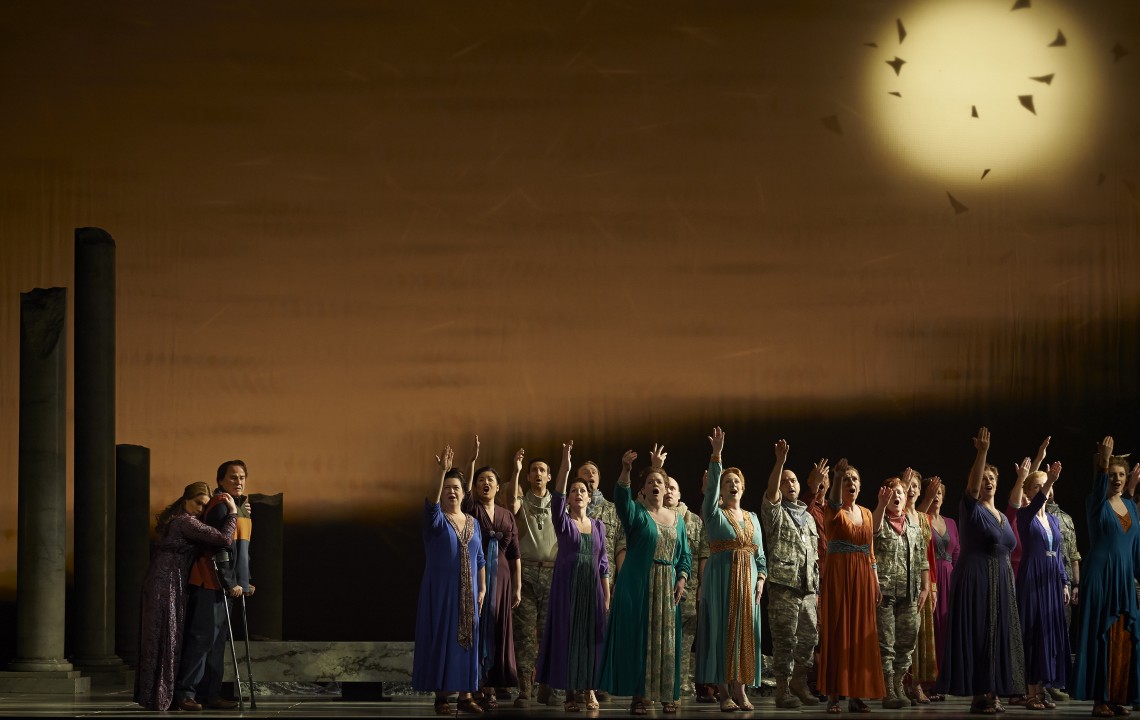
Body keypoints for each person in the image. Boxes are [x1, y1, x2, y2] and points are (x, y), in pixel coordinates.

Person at [935, 427, 1026, 714]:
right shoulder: (971, 509)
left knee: (998, 634)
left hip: (1001, 580)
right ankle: (979, 694)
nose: (987, 481)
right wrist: (982, 453)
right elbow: (972, 490)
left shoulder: (1002, 517)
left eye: (992, 478)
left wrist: (1024, 476)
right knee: (978, 632)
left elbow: (1015, 502)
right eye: (983, 477)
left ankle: (994, 690)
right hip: (975, 577)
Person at [598, 447, 692, 715]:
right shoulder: (637, 514)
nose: (655, 485)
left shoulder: (678, 520)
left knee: (666, 641)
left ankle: (667, 694)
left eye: (659, 482)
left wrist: (682, 577)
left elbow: (685, 554)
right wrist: (626, 470)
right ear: (644, 489)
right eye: (650, 482)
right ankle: (639, 696)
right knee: (642, 640)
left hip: (667, 586)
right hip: (641, 585)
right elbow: (621, 499)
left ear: (666, 489)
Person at [134, 483, 237, 711]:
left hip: (171, 580)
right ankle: (161, 695)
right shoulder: (185, 522)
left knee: (167, 636)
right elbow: (223, 539)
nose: (201, 509)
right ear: (185, 500)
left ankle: (161, 695)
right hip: (166, 582)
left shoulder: (185, 520)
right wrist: (233, 513)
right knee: (164, 635)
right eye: (198, 503)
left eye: (204, 506)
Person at [173, 460, 255, 712]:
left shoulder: (239, 507)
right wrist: (230, 582)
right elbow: (220, 547)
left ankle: (210, 694)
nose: (238, 481)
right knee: (202, 640)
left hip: (226, 586)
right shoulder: (221, 505)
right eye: (233, 477)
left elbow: (241, 549)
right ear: (220, 480)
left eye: (242, 477)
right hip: (211, 582)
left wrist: (244, 581)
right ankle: (185, 693)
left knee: (217, 643)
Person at [696, 427, 767, 712]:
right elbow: (712, 488)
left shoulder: (752, 518)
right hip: (721, 580)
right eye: (727, 482)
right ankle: (724, 691)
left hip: (748, 583)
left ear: (743, 488)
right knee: (721, 631)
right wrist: (717, 456)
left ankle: (741, 690)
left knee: (745, 633)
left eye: (737, 481)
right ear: (721, 490)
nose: (732, 485)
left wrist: (761, 578)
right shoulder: (714, 514)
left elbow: (760, 553)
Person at [535, 441, 610, 711]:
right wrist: (565, 467)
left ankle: (588, 690)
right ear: (569, 498)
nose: (578, 494)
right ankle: (569, 694)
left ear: (590, 498)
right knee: (568, 636)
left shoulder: (598, 526)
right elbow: (556, 497)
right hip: (567, 587)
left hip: (592, 589)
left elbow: (603, 564)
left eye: (583, 491)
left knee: (590, 638)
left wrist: (606, 596)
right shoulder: (564, 522)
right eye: (574, 491)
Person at [412, 445, 486, 715]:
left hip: (470, 592)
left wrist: (482, 588)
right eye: (446, 488)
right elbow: (431, 502)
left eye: (456, 487)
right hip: (441, 592)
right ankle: (441, 697)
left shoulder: (473, 522)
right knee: (442, 638)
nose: (451, 491)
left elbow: (480, 558)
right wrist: (441, 471)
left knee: (468, 640)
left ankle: (466, 696)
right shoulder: (436, 520)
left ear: (464, 493)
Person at [1072, 437, 1140, 717]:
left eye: (1121, 474)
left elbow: (1134, 546)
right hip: (1101, 576)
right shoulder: (1096, 502)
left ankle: (1116, 696)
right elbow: (1100, 484)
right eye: (1112, 474)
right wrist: (1104, 459)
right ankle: (1099, 699)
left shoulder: (1131, 507)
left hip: (1123, 579)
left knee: (1122, 636)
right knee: (1101, 635)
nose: (1117, 479)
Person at [818, 457, 884, 713]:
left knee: (859, 635)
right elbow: (834, 500)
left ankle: (857, 694)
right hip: (839, 576)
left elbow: (870, 550)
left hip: (863, 577)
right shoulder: (833, 509)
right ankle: (834, 696)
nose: (850, 483)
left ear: (860, 485)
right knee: (838, 632)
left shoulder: (866, 513)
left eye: (854, 479)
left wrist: (875, 580)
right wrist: (836, 477)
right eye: (847, 480)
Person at [760, 440, 822, 709]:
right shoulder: (775, 512)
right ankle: (783, 690)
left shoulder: (808, 517)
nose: (790, 484)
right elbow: (772, 492)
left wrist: (816, 590)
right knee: (785, 639)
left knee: (808, 640)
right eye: (785, 481)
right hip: (784, 586)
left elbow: (814, 555)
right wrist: (780, 463)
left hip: (808, 589)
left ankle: (799, 683)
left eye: (794, 480)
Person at [461, 437, 522, 710]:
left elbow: (515, 553)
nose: (485, 483)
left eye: (490, 480)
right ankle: (476, 683)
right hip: (477, 575)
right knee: (478, 625)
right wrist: (472, 461)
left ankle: (493, 684)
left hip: (504, 579)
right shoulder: (472, 509)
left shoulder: (507, 515)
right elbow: (464, 492)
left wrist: (518, 587)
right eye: (481, 480)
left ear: (498, 486)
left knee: (498, 628)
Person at [1012, 460, 1070, 710]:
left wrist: (1064, 582)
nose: (1042, 489)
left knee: (1048, 632)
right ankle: (1030, 691)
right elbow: (1036, 503)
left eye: (1044, 486)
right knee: (1033, 631)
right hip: (1032, 577)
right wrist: (1050, 480)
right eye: (1036, 486)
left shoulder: (1054, 521)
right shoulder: (1024, 515)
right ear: (1028, 492)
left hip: (1051, 580)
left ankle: (1043, 688)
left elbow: (1058, 553)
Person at [504, 450, 560, 708]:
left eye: (542, 470)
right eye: (533, 470)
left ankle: (547, 687)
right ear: (528, 477)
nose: (538, 473)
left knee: (549, 634)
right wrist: (515, 471)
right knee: (525, 635)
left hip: (551, 573)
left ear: (549, 476)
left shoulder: (559, 505)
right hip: (525, 574)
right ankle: (525, 689)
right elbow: (510, 500)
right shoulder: (521, 502)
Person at [872, 473, 930, 709]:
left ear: (906, 497)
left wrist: (925, 587)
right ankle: (888, 690)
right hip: (885, 593)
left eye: (900, 492)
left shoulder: (914, 526)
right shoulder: (878, 520)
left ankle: (898, 684)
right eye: (892, 492)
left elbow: (923, 559)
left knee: (906, 643)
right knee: (886, 644)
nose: (896, 496)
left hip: (910, 593)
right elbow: (872, 534)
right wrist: (880, 505)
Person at [663, 471, 703, 701]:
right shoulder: (653, 516)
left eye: (673, 488)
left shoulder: (694, 521)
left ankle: (682, 684)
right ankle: (660, 684)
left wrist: (701, 586)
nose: (668, 490)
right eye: (665, 486)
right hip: (661, 587)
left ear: (679, 495)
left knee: (685, 640)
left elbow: (703, 555)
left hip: (689, 589)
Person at [919, 472, 958, 702]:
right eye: (933, 493)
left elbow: (958, 553)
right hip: (931, 577)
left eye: (940, 493)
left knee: (947, 628)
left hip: (950, 578)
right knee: (931, 628)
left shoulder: (951, 523)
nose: (937, 496)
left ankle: (946, 679)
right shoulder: (922, 518)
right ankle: (928, 682)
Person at [903, 472, 940, 705]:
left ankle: (916, 683)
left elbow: (929, 555)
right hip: (903, 580)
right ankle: (901, 684)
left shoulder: (924, 518)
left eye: (915, 486)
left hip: (923, 581)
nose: (912, 490)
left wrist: (932, 586)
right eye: (908, 486)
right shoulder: (897, 514)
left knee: (921, 634)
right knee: (905, 635)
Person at [1044, 485, 1081, 701]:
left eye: (1050, 486)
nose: (1048, 491)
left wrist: (1076, 584)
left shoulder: (1066, 519)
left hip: (1064, 582)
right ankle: (1042, 680)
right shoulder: (1034, 515)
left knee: (1062, 631)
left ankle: (1057, 680)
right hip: (1044, 579)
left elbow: (1074, 554)